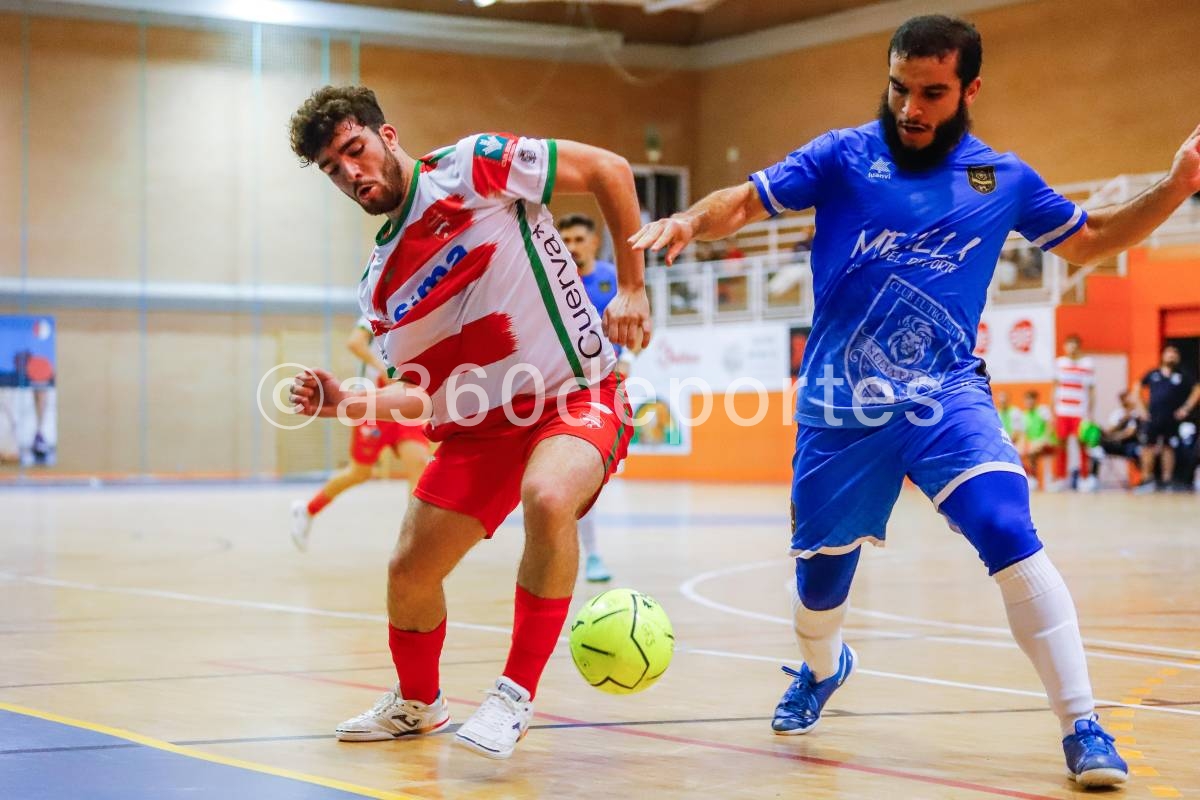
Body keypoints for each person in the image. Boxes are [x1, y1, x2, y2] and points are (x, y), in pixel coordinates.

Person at [630, 14, 1200, 787]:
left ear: (969, 89)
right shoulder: (841, 156)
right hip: (838, 408)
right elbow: (747, 201)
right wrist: (691, 221)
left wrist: (1176, 187)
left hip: (944, 396)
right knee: (818, 589)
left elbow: (1092, 239)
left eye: (932, 92)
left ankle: (1083, 725)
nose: (911, 108)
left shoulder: (1001, 180)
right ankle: (823, 669)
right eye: (900, 87)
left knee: (1005, 526)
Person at [286, 86, 648, 760]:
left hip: (576, 394)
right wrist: (344, 401)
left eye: (354, 150)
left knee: (548, 498)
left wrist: (631, 286)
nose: (352, 174)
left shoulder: (472, 166)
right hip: (482, 431)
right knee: (408, 571)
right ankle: (418, 705)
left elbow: (610, 170)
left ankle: (513, 695)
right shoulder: (381, 283)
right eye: (334, 170)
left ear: (386, 135)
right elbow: (424, 395)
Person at [290, 317, 433, 552]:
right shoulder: (377, 311)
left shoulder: (419, 312)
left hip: (404, 396)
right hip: (374, 398)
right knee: (360, 472)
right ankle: (307, 509)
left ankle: (415, 540)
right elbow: (355, 343)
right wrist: (381, 369)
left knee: (417, 462)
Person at [558, 213, 640, 583]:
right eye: (566, 240)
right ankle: (577, 553)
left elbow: (637, 327)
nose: (572, 247)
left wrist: (628, 358)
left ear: (593, 242)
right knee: (571, 476)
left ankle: (587, 554)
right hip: (558, 387)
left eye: (579, 239)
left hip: (603, 387)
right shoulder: (554, 282)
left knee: (587, 475)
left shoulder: (613, 278)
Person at [1134, 345, 1200, 493]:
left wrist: (1186, 408)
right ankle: (1147, 479)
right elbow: (1137, 387)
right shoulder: (1153, 374)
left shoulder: (1182, 375)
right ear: (1163, 356)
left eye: (1174, 354)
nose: (1171, 356)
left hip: (1171, 418)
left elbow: (1197, 389)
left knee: (1168, 447)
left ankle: (1167, 480)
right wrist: (1141, 409)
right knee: (1148, 447)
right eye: (1169, 353)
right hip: (1153, 417)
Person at [1051, 334, 1096, 491]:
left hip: (1079, 412)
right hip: (1062, 410)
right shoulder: (1060, 363)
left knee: (1082, 445)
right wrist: (1053, 411)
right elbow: (1055, 387)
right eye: (1069, 345)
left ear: (1079, 346)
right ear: (1065, 347)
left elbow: (1091, 390)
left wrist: (1089, 414)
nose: (1072, 348)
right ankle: (1061, 478)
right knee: (1061, 445)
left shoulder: (1087, 364)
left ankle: (1085, 478)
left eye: (1074, 345)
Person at [1012, 390, 1056, 489]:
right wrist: (1020, 447)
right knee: (1019, 452)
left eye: (1031, 399)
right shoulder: (1024, 416)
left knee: (1032, 451)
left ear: (1035, 400)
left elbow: (1050, 426)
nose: (1029, 402)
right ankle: (1030, 477)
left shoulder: (1042, 410)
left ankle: (1036, 477)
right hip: (1033, 444)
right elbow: (1023, 435)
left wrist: (1043, 440)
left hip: (1047, 442)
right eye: (1027, 400)